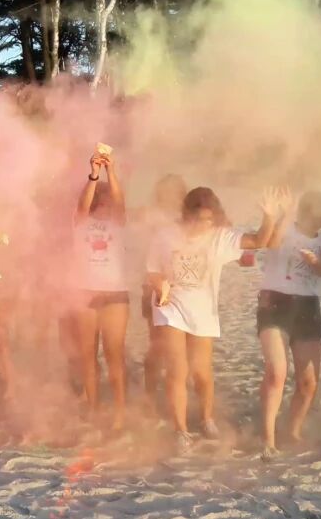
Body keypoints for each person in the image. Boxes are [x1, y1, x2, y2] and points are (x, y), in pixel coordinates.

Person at [147, 186, 285, 453]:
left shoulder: (220, 237)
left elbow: (259, 241)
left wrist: (269, 215)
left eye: (209, 219)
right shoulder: (165, 235)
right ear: (187, 214)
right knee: (177, 370)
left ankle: (206, 418)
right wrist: (159, 285)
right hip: (170, 308)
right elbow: (152, 271)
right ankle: (181, 430)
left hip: (202, 311)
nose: (203, 225)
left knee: (201, 371)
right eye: (198, 218)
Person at [256, 191, 321, 460]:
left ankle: (293, 431)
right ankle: (268, 439)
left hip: (308, 306)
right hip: (275, 302)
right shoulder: (287, 228)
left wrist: (315, 263)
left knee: (308, 382)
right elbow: (271, 244)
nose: (317, 221)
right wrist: (285, 214)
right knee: (277, 372)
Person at [73, 149, 129, 430]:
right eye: (101, 200)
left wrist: (112, 171)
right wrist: (94, 176)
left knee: (114, 353)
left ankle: (119, 410)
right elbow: (82, 207)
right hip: (85, 294)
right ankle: (94, 407)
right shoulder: (81, 222)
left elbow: (121, 204)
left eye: (108, 200)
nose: (106, 204)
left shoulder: (118, 223)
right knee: (87, 355)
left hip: (115, 294)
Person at [139, 175, 187, 404]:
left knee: (182, 350)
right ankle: (150, 394)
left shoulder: (190, 217)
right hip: (155, 288)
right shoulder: (151, 216)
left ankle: (174, 394)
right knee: (158, 345)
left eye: (175, 191)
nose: (171, 196)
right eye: (166, 191)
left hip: (186, 291)